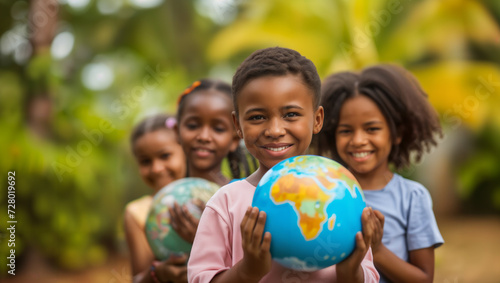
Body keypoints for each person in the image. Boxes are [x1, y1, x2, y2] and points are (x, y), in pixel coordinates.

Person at [188, 47, 380, 283]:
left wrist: (350, 273)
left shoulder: (342, 193)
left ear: (317, 119)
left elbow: (368, 277)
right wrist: (248, 270)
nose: (275, 131)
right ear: (237, 125)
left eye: (290, 114)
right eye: (257, 117)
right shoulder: (225, 203)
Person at [313, 64, 444, 283]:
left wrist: (377, 249)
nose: (358, 140)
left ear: (397, 133)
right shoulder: (320, 191)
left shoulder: (412, 197)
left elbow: (424, 278)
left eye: (372, 129)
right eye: (346, 130)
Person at [124, 113, 188, 283]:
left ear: (185, 150)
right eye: (146, 161)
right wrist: (158, 273)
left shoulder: (211, 197)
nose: (156, 168)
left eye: (165, 156)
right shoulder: (137, 213)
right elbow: (137, 278)